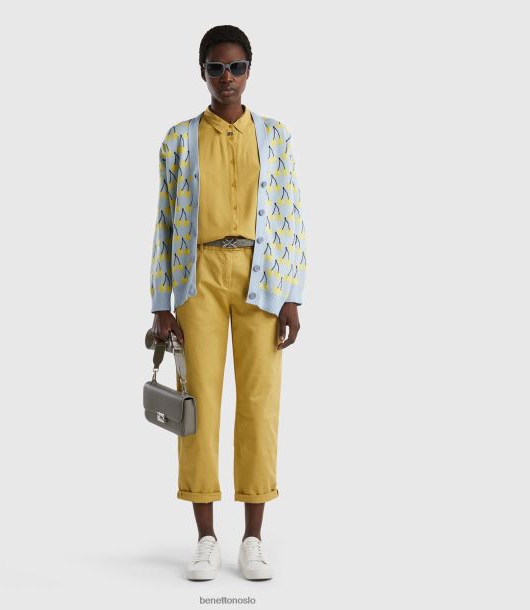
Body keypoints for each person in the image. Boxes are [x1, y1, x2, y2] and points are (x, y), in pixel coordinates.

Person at [149, 24, 307, 581]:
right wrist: (161, 304)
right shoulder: (179, 140)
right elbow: (165, 222)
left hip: (261, 277)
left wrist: (292, 295)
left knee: (259, 404)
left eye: (236, 67)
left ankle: (253, 539)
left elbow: (289, 216)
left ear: (249, 71)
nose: (227, 78)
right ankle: (206, 538)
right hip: (199, 279)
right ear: (203, 72)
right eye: (216, 68)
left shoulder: (276, 136)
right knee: (199, 405)